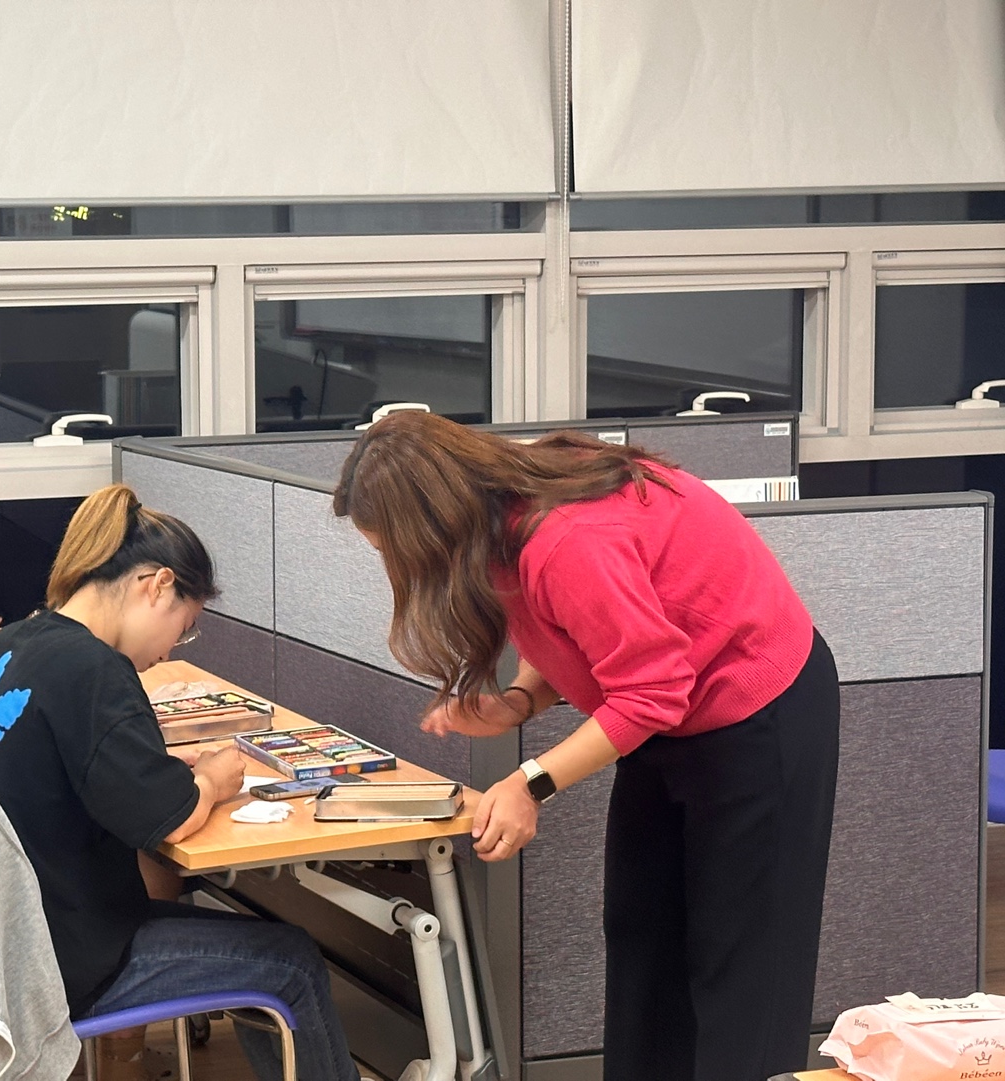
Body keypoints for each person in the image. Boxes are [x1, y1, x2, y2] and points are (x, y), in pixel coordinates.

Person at [332, 412, 839, 1081]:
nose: (395, 569)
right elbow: (581, 632)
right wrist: (520, 699)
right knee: (642, 943)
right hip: (671, 717)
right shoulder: (496, 520)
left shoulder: (566, 536)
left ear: (432, 523)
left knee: (743, 969)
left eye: (391, 552)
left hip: (757, 712)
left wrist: (530, 783)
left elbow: (652, 688)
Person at [0, 483, 361, 1081]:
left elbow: (75, 768)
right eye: (184, 627)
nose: (170, 650)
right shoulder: (94, 667)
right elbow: (170, 818)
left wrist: (157, 766)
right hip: (58, 960)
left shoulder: (14, 643)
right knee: (292, 962)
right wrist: (213, 778)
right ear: (157, 585)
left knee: (261, 939)